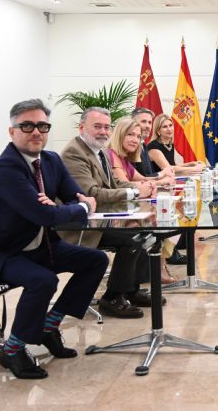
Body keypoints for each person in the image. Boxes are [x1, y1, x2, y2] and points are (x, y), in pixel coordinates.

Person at [0, 99, 108, 379]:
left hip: (40, 246)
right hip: (0, 252)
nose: (36, 132)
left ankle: (49, 326)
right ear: (12, 131)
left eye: (42, 125)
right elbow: (53, 213)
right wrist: (76, 207)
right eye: (27, 125)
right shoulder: (7, 168)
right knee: (43, 280)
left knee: (95, 260)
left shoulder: (51, 160)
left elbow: (71, 198)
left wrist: (67, 207)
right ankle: (13, 350)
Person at [60, 107, 161, 319]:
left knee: (144, 231)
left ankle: (130, 290)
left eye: (106, 127)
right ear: (82, 127)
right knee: (133, 238)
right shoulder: (74, 153)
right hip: (80, 226)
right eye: (97, 127)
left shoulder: (100, 151)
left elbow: (114, 183)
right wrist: (134, 191)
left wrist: (142, 185)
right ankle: (113, 297)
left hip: (102, 218)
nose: (103, 132)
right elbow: (92, 193)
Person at [106, 117, 181, 284]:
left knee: (171, 219)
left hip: (129, 207)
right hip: (116, 213)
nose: (135, 140)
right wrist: (156, 182)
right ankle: (154, 270)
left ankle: (157, 268)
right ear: (119, 135)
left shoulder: (124, 158)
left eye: (138, 137)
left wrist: (160, 181)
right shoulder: (111, 155)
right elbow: (124, 184)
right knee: (161, 223)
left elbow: (141, 178)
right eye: (130, 135)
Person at [131, 108, 190, 267]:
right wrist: (160, 179)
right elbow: (135, 180)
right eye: (143, 122)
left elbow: (146, 176)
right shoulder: (148, 147)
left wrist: (160, 178)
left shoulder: (142, 146)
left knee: (181, 207)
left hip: (151, 192)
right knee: (173, 213)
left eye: (149, 122)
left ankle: (167, 255)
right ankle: (164, 260)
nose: (147, 126)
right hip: (139, 199)